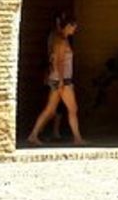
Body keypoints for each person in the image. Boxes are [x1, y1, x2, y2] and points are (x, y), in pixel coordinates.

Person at [26, 12, 85, 146]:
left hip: (58, 79)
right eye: (73, 26)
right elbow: (59, 62)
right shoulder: (61, 41)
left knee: (50, 110)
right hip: (62, 80)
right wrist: (62, 81)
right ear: (68, 26)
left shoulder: (60, 39)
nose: (75, 29)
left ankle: (33, 135)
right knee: (72, 109)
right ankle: (77, 138)